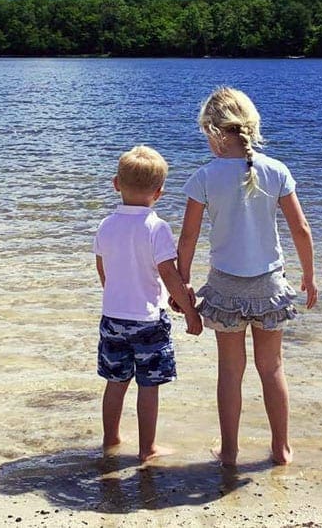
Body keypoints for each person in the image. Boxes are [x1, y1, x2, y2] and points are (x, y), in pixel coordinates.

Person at [176, 87, 317, 467]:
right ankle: (281, 449)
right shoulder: (277, 170)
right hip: (269, 284)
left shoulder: (204, 177)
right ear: (250, 127)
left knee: (230, 372)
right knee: (272, 369)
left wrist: (183, 282)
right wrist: (309, 275)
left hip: (225, 287)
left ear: (212, 130)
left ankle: (230, 451)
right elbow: (300, 229)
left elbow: (188, 237)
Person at [95, 145, 202, 463]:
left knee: (115, 383)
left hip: (113, 317)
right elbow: (169, 274)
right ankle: (146, 449)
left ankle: (111, 439)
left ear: (116, 184)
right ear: (160, 192)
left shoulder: (106, 225)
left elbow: (103, 269)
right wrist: (191, 312)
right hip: (148, 320)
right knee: (148, 386)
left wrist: (115, 294)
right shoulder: (157, 228)